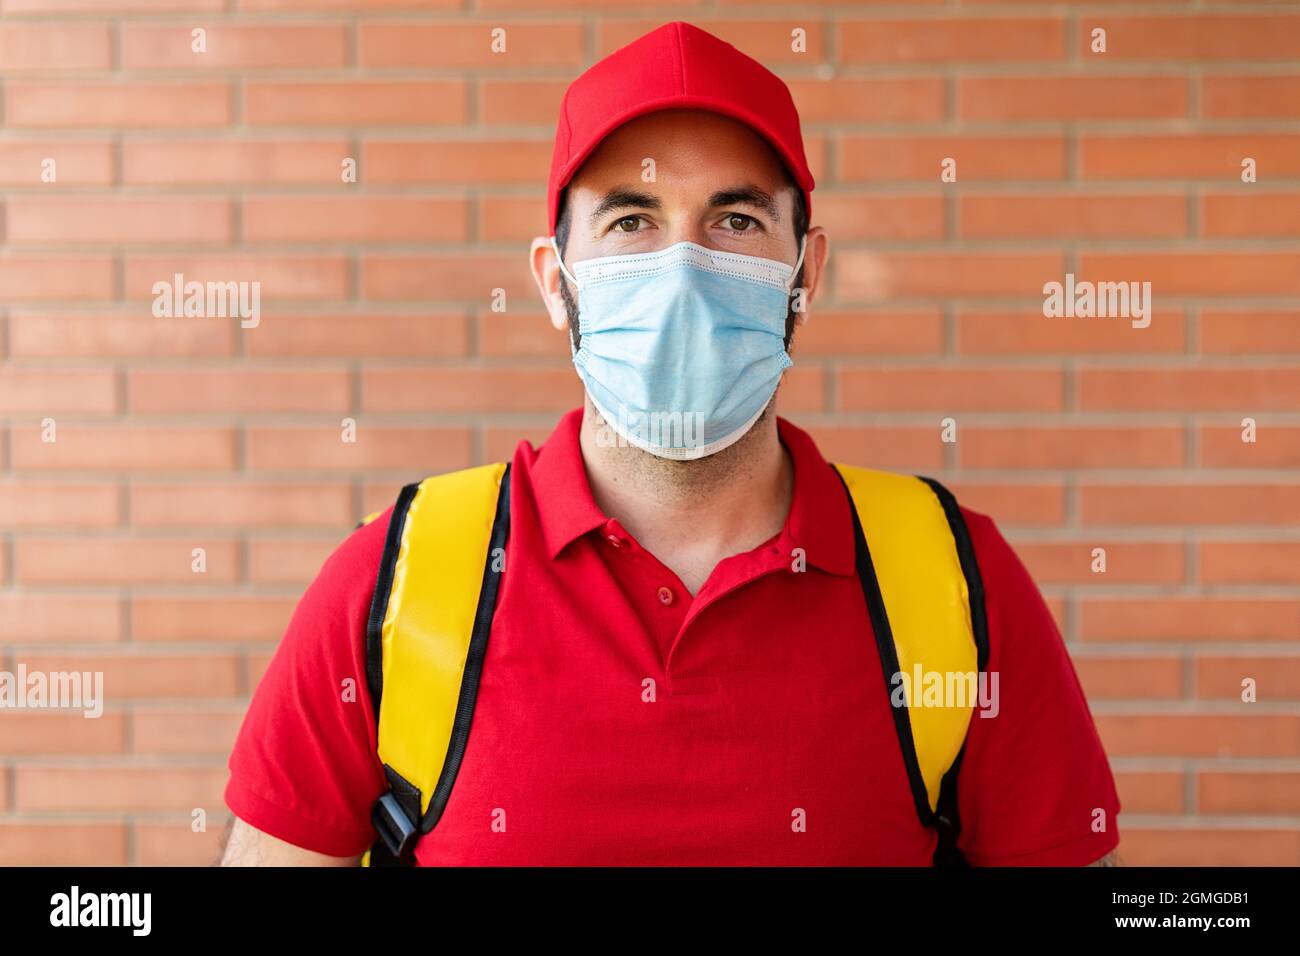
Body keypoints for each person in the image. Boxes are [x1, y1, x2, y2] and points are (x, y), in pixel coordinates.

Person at [220, 21, 1120, 867]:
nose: (683, 272)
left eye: (734, 222)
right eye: (631, 221)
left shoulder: (953, 579)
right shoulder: (397, 578)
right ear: (554, 281)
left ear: (804, 276)